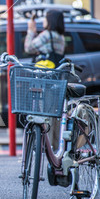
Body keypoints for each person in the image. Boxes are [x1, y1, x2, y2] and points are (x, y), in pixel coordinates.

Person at [24, 9, 66, 152]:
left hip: (44, 79)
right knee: (54, 113)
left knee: (44, 112)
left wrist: (31, 30)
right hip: (56, 78)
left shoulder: (46, 35)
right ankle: (54, 145)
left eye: (45, 18)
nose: (43, 21)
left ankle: (45, 145)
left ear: (50, 21)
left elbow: (29, 47)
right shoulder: (60, 37)